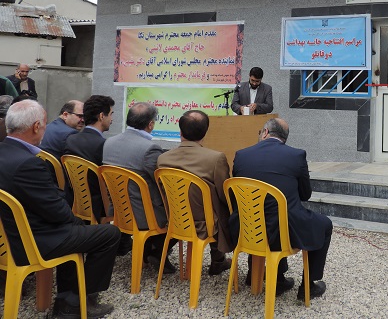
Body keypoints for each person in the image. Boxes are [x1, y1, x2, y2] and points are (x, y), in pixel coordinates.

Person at [0, 100, 120, 318]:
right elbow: (57, 212)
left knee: (77, 232)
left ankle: (68, 297)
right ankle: (76, 303)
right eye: (45, 124)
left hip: (8, 236)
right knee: (109, 233)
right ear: (36, 126)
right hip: (31, 241)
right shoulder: (29, 164)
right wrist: (77, 223)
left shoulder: (6, 152)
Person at [230, 118, 332, 300]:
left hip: (246, 229)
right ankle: (308, 286)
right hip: (282, 232)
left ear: (265, 133)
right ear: (284, 138)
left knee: (269, 213)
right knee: (323, 224)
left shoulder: (241, 155)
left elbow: (235, 196)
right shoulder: (296, 155)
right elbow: (305, 194)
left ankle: (269, 276)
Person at [157, 110, 232, 275]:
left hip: (176, 220)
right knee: (221, 203)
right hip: (205, 224)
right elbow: (224, 194)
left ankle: (218, 260)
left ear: (180, 132)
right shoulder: (215, 158)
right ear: (205, 132)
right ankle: (218, 259)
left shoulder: (163, 159)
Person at [102, 102, 174, 273]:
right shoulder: (150, 149)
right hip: (144, 216)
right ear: (151, 124)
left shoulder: (109, 142)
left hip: (119, 212)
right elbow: (162, 183)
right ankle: (155, 249)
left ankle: (151, 248)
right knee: (185, 210)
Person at [64, 95, 115, 220]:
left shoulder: (70, 140)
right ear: (102, 116)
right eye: (111, 114)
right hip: (99, 208)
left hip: (74, 203)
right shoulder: (104, 145)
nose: (112, 119)